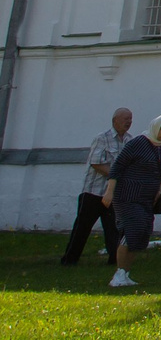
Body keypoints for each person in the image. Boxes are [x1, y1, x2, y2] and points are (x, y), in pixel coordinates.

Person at [102, 113, 161, 289]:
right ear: (156, 127)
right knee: (132, 229)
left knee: (142, 233)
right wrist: (109, 192)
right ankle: (119, 273)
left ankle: (125, 273)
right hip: (128, 195)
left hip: (148, 197)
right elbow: (117, 168)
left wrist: (160, 188)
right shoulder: (138, 143)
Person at [63, 107, 133, 266]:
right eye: (125, 119)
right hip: (93, 193)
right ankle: (70, 259)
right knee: (82, 227)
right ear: (115, 120)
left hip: (113, 194)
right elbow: (96, 163)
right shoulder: (102, 138)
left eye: (130, 119)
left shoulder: (130, 141)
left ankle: (114, 260)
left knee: (113, 228)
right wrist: (116, 176)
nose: (128, 122)